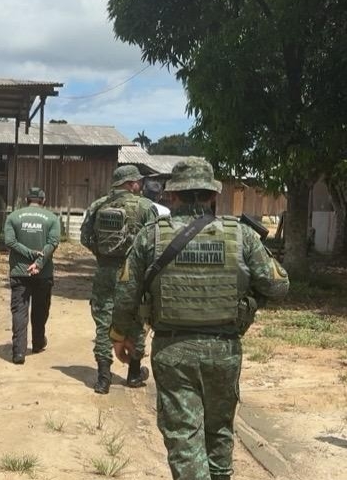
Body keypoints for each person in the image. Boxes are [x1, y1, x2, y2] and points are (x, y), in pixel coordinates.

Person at [110, 157, 289, 480]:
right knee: (219, 430)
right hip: (224, 351)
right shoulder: (242, 236)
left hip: (173, 351)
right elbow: (278, 286)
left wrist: (121, 336)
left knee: (184, 437)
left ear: (172, 195)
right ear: (213, 195)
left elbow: (126, 294)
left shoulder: (150, 237)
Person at [80, 164, 157, 393]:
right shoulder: (146, 206)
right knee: (136, 319)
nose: (140, 185)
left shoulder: (98, 205)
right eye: (138, 182)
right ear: (131, 184)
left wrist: (102, 254)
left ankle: (103, 378)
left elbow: (85, 237)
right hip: (134, 273)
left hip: (105, 271)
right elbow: (155, 242)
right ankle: (133, 373)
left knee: (104, 320)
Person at [2, 186, 60, 364]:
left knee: (19, 311)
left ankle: (19, 352)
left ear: (26, 200)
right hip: (43, 273)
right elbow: (53, 243)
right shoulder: (52, 218)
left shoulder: (13, 217)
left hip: (20, 272)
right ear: (43, 201)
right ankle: (38, 342)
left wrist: (28, 254)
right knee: (41, 310)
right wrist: (39, 262)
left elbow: (9, 241)